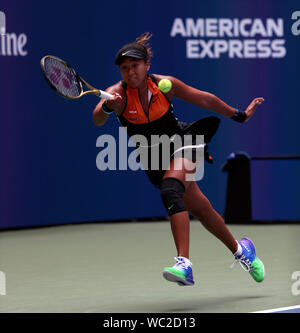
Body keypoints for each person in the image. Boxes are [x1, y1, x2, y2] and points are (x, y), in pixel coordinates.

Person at [93, 33, 265, 286]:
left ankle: (184, 264)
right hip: (153, 158)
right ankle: (243, 251)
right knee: (202, 210)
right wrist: (108, 107)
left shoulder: (165, 84)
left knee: (170, 190)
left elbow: (204, 98)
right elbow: (97, 117)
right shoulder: (115, 95)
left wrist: (238, 115)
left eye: (135, 66)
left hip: (184, 142)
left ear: (146, 65)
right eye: (125, 68)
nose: (130, 72)